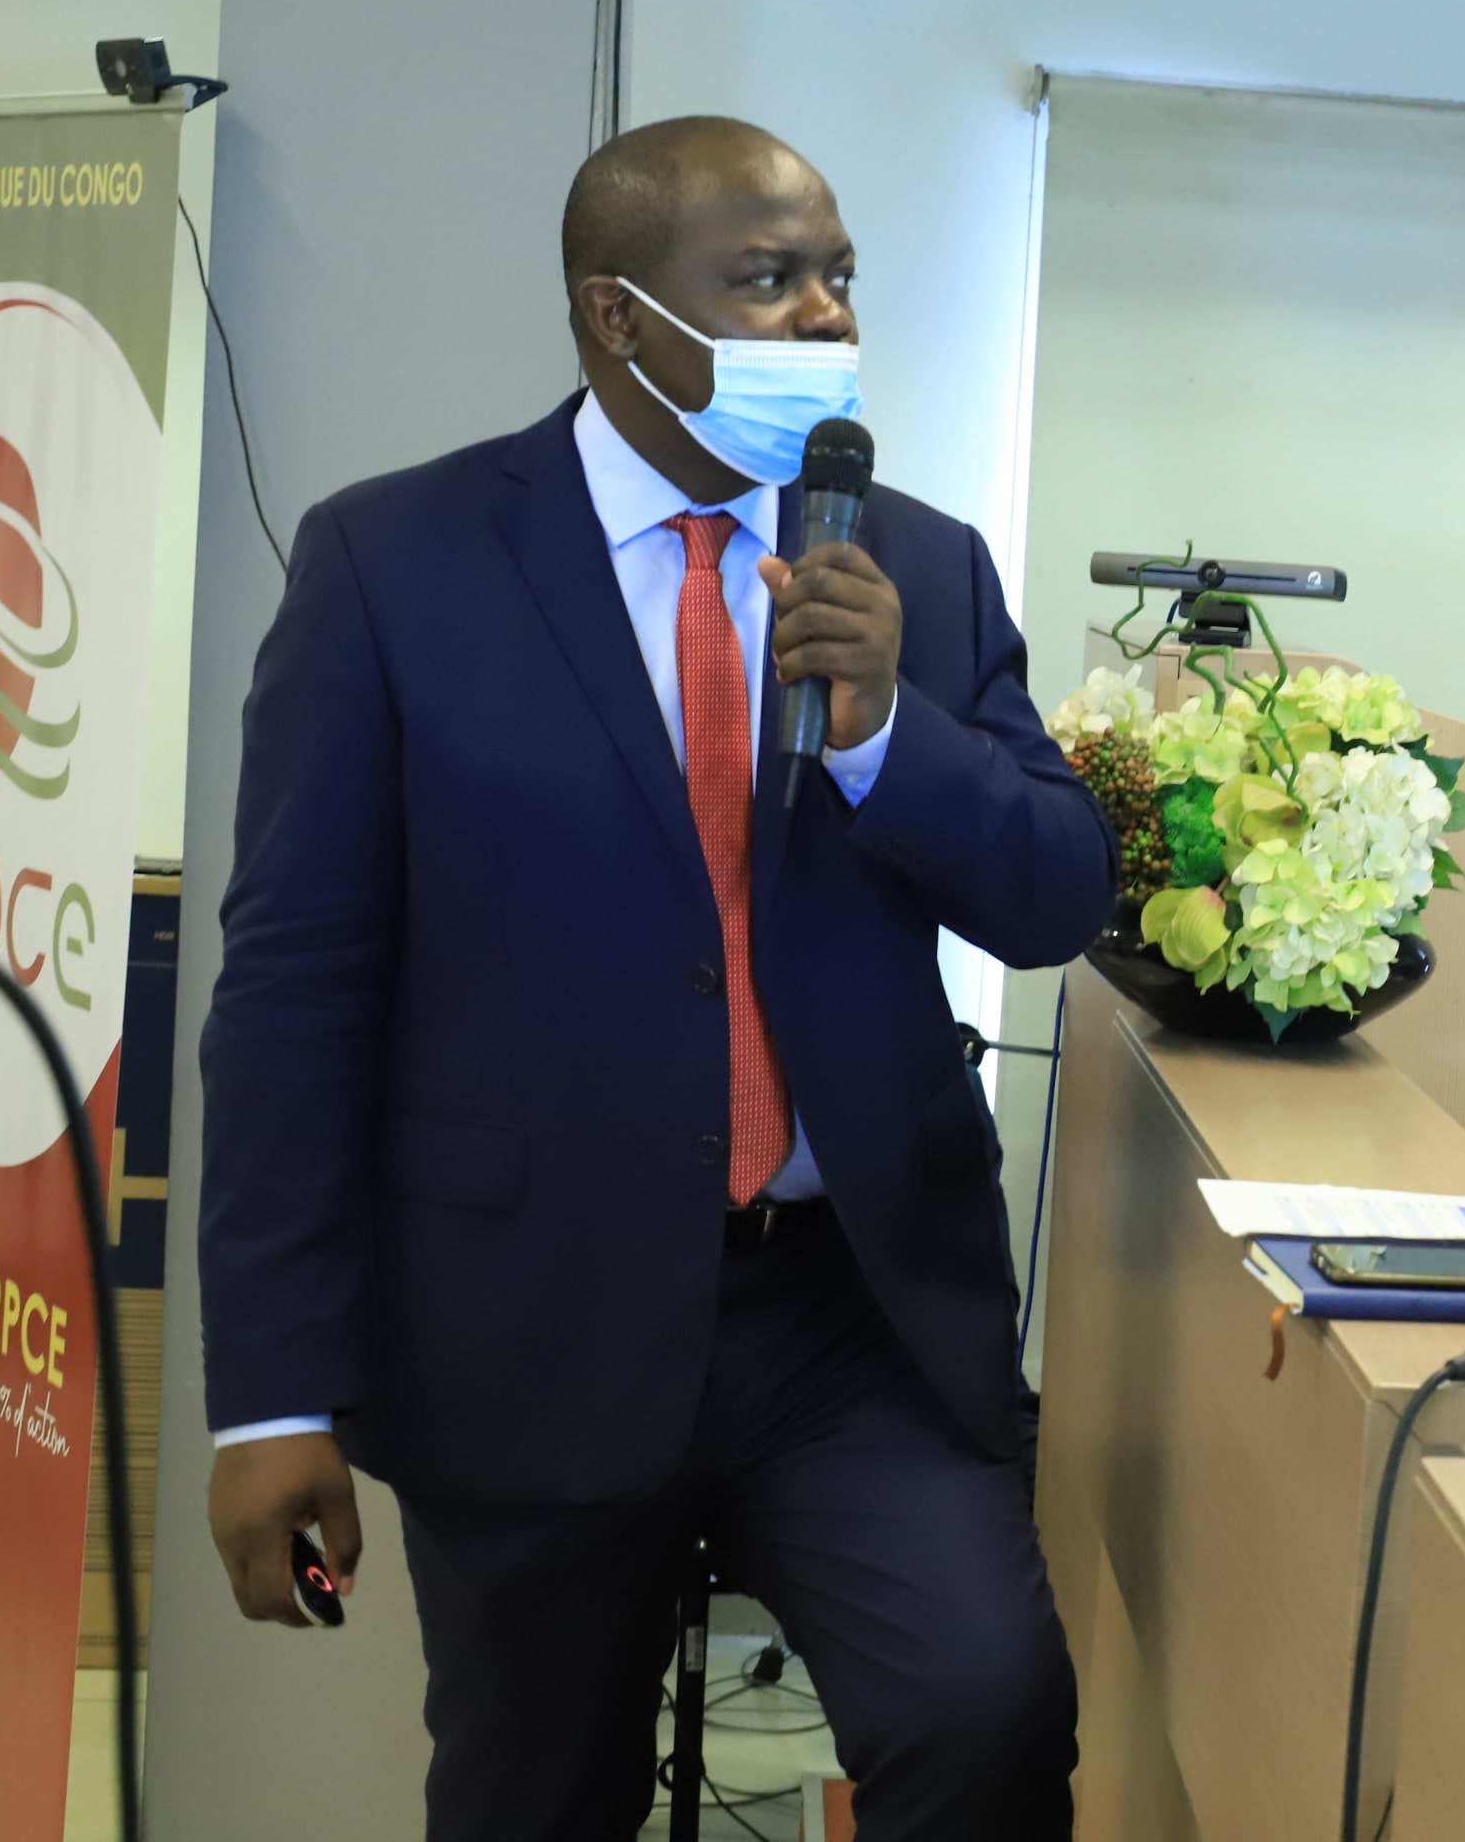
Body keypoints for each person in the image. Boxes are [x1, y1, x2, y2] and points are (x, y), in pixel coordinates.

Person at [196, 116, 1115, 1836]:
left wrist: (886, 733)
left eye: (839, 277)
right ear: (616, 315)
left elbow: (1058, 895)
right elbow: (294, 999)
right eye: (768, 280)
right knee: (536, 1799)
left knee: (987, 1716)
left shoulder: (914, 565)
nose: (824, 317)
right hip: (523, 1315)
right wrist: (271, 1394)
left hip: (851, 1316)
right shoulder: (395, 563)